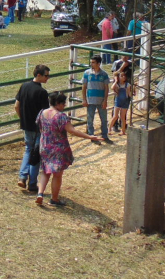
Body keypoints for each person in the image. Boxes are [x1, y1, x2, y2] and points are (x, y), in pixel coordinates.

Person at [35, 92, 102, 206]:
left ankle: (40, 194)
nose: (64, 106)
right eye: (63, 103)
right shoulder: (61, 116)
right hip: (58, 148)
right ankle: (54, 199)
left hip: (45, 146)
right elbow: (72, 130)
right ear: (57, 103)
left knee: (45, 171)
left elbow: (40, 126)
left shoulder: (42, 113)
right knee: (57, 174)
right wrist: (89, 136)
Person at [15, 65, 51, 193]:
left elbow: (16, 106)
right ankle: (32, 183)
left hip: (26, 126)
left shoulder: (24, 86)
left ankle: (22, 176)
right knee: (36, 154)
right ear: (39, 75)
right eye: (46, 75)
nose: (48, 78)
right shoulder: (42, 93)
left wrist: (23, 119)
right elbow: (46, 114)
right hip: (38, 129)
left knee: (28, 150)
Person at [81, 55, 111, 143]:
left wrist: (105, 100)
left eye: (93, 62)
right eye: (91, 62)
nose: (91, 64)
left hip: (101, 100)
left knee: (104, 119)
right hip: (90, 100)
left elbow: (106, 88)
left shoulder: (104, 74)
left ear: (98, 63)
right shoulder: (87, 73)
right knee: (90, 119)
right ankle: (92, 136)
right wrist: (84, 99)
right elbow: (84, 87)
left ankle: (104, 136)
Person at [108, 69, 131, 137]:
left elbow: (129, 94)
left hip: (125, 101)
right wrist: (115, 81)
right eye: (121, 76)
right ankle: (109, 129)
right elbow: (112, 87)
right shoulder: (117, 85)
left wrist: (131, 93)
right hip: (118, 101)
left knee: (122, 117)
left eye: (124, 76)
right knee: (115, 116)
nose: (123, 77)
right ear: (118, 77)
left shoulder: (128, 84)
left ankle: (123, 131)